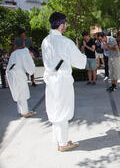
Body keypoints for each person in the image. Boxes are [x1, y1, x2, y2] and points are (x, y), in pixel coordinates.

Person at [42, 12, 86, 152]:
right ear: (61, 25)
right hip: (61, 80)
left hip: (50, 78)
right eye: (65, 24)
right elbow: (79, 62)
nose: (66, 26)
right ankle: (63, 143)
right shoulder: (65, 42)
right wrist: (84, 56)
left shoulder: (45, 41)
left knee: (55, 108)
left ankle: (60, 139)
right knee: (63, 109)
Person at [6, 45, 36, 118]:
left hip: (12, 73)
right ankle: (25, 112)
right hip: (18, 74)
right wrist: (31, 70)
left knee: (18, 92)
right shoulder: (25, 53)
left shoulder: (16, 52)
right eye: (32, 55)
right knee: (22, 92)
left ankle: (22, 111)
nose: (33, 56)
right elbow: (29, 65)